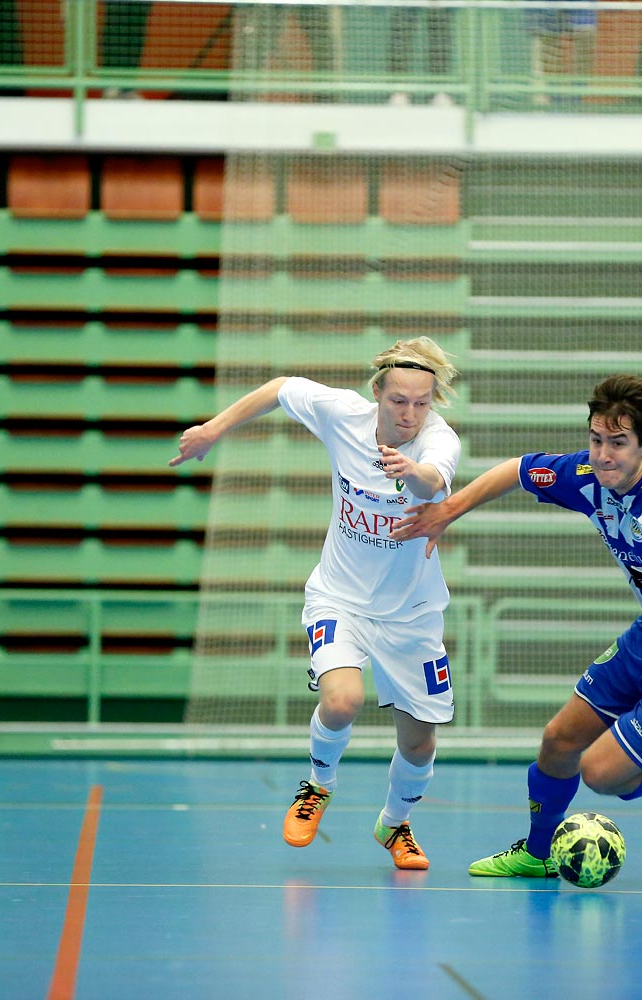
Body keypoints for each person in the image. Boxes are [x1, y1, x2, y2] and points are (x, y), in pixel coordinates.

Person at [393, 374, 642, 878]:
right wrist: (448, 511)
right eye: (597, 440)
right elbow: (519, 470)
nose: (604, 455)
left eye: (619, 443)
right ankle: (537, 854)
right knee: (558, 740)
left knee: (603, 774)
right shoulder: (588, 476)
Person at [171, 338, 461, 871]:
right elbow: (280, 388)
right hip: (338, 597)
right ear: (377, 392)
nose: (410, 413)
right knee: (342, 699)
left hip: (411, 614)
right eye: (399, 400)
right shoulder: (342, 414)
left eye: (421, 402)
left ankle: (395, 824)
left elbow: (437, 477)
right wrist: (214, 428)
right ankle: (317, 785)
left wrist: (412, 473)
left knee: (419, 745)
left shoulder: (437, 440)